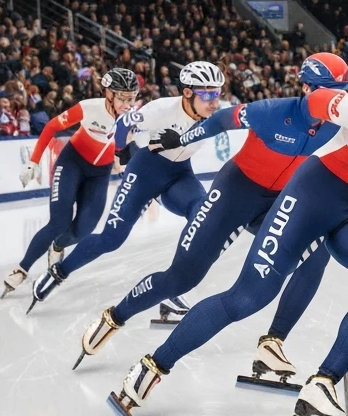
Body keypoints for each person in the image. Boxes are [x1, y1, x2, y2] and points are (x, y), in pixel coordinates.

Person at [106, 47, 348, 416]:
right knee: (248, 297)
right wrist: (304, 111)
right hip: (310, 198)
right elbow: (314, 100)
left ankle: (323, 383)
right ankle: (151, 366)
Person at [76, 53, 348, 386]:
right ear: (307, 88)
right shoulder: (274, 110)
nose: (339, 101)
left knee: (317, 253)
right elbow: (222, 119)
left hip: (278, 201)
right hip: (234, 192)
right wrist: (180, 139)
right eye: (330, 92)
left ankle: (273, 342)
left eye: (344, 92)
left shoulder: (344, 121)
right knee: (181, 278)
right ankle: (116, 316)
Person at [26, 61, 224, 311]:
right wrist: (121, 152)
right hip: (144, 173)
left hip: (180, 175)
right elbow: (121, 125)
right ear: (187, 92)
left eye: (217, 93)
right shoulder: (161, 108)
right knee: (112, 238)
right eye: (207, 94)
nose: (214, 102)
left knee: (202, 214)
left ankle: (171, 285)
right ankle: (58, 272)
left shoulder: (217, 116)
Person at [0, 69, 140, 297]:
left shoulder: (134, 117)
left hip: (99, 174)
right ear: (108, 94)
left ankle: (57, 246)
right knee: (59, 221)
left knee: (85, 229)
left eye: (131, 97)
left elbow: (135, 146)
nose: (127, 103)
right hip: (72, 163)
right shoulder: (89, 107)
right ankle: (22, 268)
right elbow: (52, 126)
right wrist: (33, 161)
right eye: (123, 97)